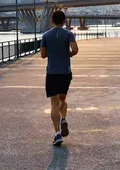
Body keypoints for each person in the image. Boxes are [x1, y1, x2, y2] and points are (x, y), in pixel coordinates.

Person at [40, 10, 79, 146]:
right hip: (65, 73)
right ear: (64, 21)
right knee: (63, 99)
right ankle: (63, 118)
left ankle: (57, 134)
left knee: (54, 103)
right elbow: (75, 50)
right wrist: (67, 54)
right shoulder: (69, 34)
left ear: (52, 21)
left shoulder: (45, 35)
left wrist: (52, 52)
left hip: (52, 73)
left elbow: (43, 55)